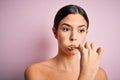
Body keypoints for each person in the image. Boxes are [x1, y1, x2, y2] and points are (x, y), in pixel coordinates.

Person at [24, 4, 108, 80]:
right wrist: (86, 75)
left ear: (86, 33)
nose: (73, 37)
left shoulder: (100, 74)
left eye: (81, 30)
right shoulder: (35, 71)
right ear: (55, 32)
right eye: (66, 29)